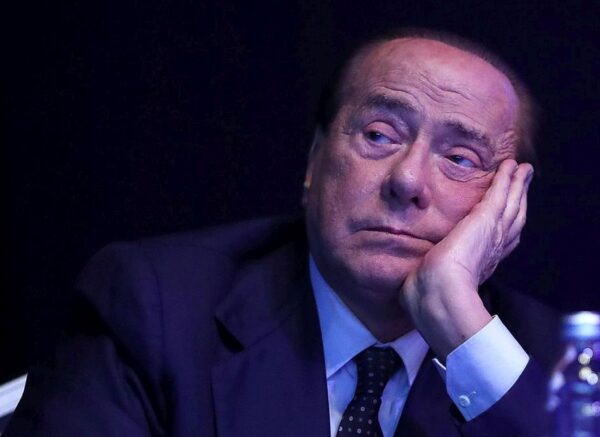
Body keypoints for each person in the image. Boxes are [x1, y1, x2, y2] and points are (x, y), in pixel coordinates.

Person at [5, 28, 560, 436]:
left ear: (508, 204)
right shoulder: (155, 309)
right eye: (380, 135)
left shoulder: (558, 368)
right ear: (315, 160)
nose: (408, 180)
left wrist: (460, 325)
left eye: (460, 158)